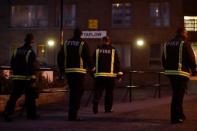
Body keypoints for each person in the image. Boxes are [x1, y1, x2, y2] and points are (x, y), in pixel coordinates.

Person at [57, 28, 93, 121]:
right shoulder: (82, 43)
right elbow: (87, 57)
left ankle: (72, 113)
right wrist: (92, 69)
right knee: (78, 92)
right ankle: (73, 114)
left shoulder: (66, 43)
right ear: (81, 34)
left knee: (73, 91)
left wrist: (61, 69)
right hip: (79, 72)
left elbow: (60, 56)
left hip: (68, 72)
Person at [162, 28, 196, 124]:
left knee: (176, 94)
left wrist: (167, 69)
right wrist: (194, 70)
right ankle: (175, 117)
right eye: (186, 33)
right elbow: (191, 58)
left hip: (170, 73)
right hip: (181, 73)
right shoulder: (184, 43)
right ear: (182, 33)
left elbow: (163, 58)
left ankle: (180, 114)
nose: (187, 35)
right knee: (178, 96)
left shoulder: (167, 44)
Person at [3, 33, 39, 122]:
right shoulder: (30, 52)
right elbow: (32, 66)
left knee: (14, 96)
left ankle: (7, 112)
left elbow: (12, 63)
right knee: (30, 97)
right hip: (27, 78)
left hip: (17, 77)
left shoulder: (17, 50)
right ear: (32, 41)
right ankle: (31, 115)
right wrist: (33, 78)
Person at [92, 36, 123, 114]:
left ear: (102, 41)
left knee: (98, 90)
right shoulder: (113, 50)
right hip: (110, 76)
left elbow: (92, 61)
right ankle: (107, 109)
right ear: (109, 41)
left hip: (99, 75)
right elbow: (117, 63)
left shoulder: (97, 50)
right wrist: (119, 75)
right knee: (109, 93)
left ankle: (96, 101)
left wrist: (92, 73)